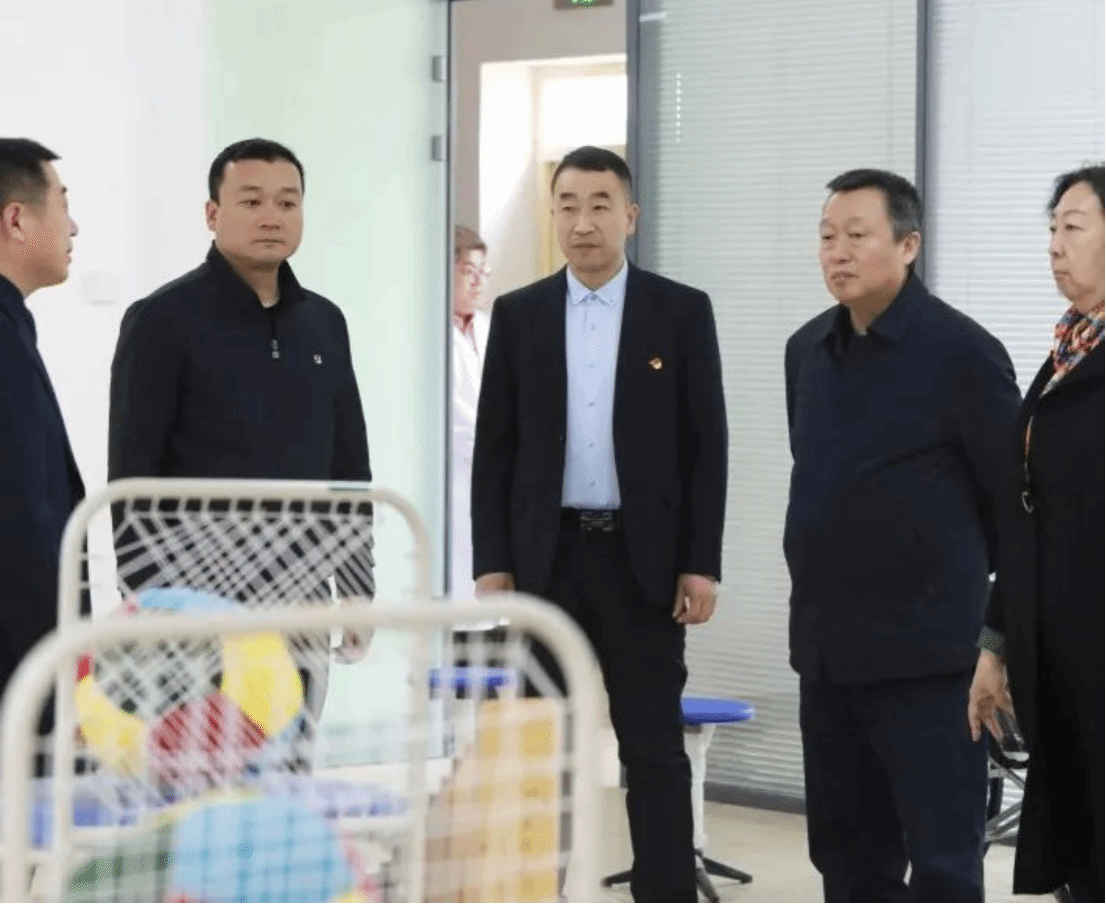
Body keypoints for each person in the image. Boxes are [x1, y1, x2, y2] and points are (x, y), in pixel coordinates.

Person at [471, 145, 728, 904]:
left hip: (641, 563)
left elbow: (706, 446)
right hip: (544, 562)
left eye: (600, 205)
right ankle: (530, 892)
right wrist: (493, 562)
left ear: (630, 216)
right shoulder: (519, 314)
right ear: (553, 215)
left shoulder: (680, 311)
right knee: (536, 748)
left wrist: (701, 562)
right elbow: (495, 448)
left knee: (653, 750)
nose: (583, 223)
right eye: (568, 206)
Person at [783, 168, 1022, 903]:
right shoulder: (806, 350)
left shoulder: (965, 353)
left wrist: (989, 633)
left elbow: (1012, 511)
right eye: (827, 236)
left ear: (908, 244)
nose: (837, 251)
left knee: (944, 863)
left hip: (930, 666)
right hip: (828, 658)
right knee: (847, 861)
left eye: (857, 235)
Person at [107, 138, 374, 758]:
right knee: (200, 779)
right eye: (251, 201)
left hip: (302, 600)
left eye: (287, 202)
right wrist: (152, 604)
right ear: (212, 213)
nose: (271, 217)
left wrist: (357, 588)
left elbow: (349, 468)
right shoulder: (162, 320)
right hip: (197, 606)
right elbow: (132, 477)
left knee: (289, 773)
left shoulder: (325, 323)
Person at [969, 163, 1104, 903]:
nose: (1054, 244)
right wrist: (996, 644)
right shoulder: (1066, 353)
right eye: (1051, 228)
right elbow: (1026, 515)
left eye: (1072, 227)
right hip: (1060, 664)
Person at [1, 138, 83, 703]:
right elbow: (20, 513)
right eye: (63, 203)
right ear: (16, 219)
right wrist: (62, 680)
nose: (73, 227)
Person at [450, 225, 491, 602]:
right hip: (455, 476)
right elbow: (453, 418)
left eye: (483, 272)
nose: (479, 282)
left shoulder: (491, 328)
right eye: (468, 272)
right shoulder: (430, 333)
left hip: (491, 474)